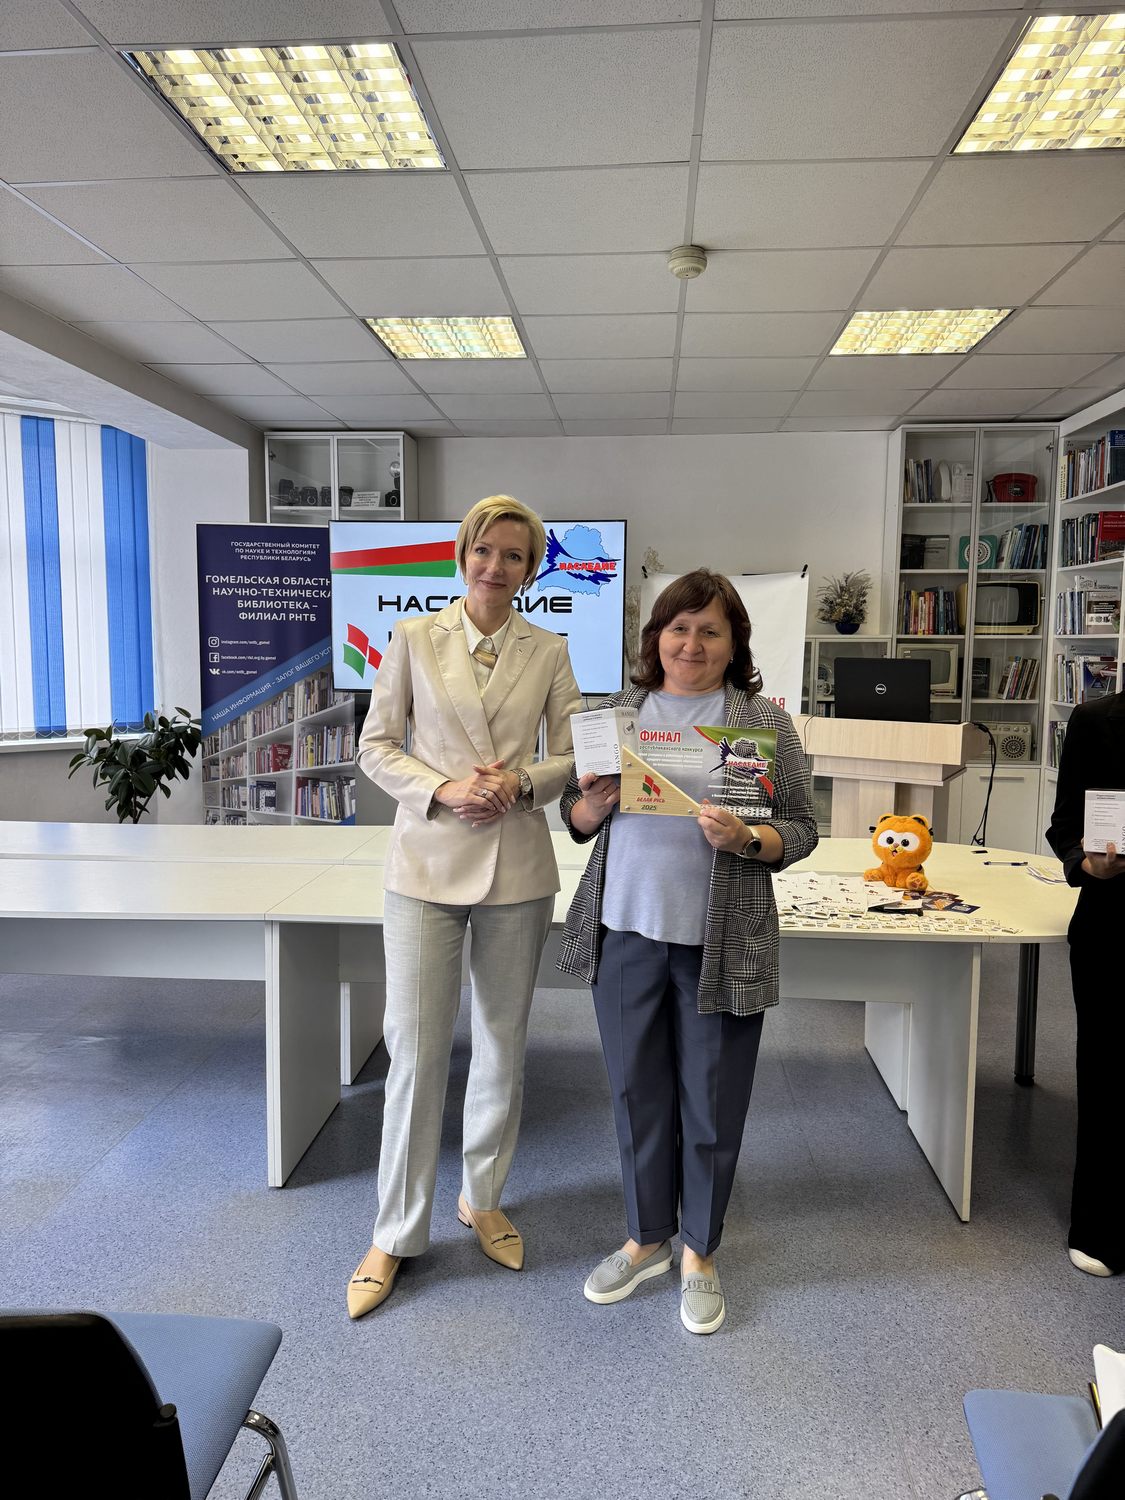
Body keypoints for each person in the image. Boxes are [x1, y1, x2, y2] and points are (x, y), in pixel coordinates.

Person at [557, 569, 818, 1333]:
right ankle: (647, 1239)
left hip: (720, 942)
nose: (691, 643)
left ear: (734, 643)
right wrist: (589, 806)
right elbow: (574, 817)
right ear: (655, 638)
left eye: (710, 630)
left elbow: (802, 828)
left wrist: (749, 838)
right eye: (678, 628)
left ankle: (699, 1251)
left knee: (711, 1102)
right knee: (636, 1097)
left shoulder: (761, 722)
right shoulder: (614, 715)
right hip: (624, 932)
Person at [348, 495, 581, 1319]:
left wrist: (521, 782)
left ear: (530, 569)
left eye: (513, 555)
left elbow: (574, 754)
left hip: (516, 865)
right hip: (425, 863)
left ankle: (481, 1198)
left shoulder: (548, 649)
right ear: (462, 555)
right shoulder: (414, 637)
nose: (494, 566)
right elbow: (376, 745)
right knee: (414, 1051)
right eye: (484, 550)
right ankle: (394, 1230)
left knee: (500, 1045)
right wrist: (443, 788)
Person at [1046, 687, 1125, 1277]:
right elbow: (1065, 826)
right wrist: (1086, 862)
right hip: (1114, 928)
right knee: (1108, 1076)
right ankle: (1101, 1225)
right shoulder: (1096, 720)